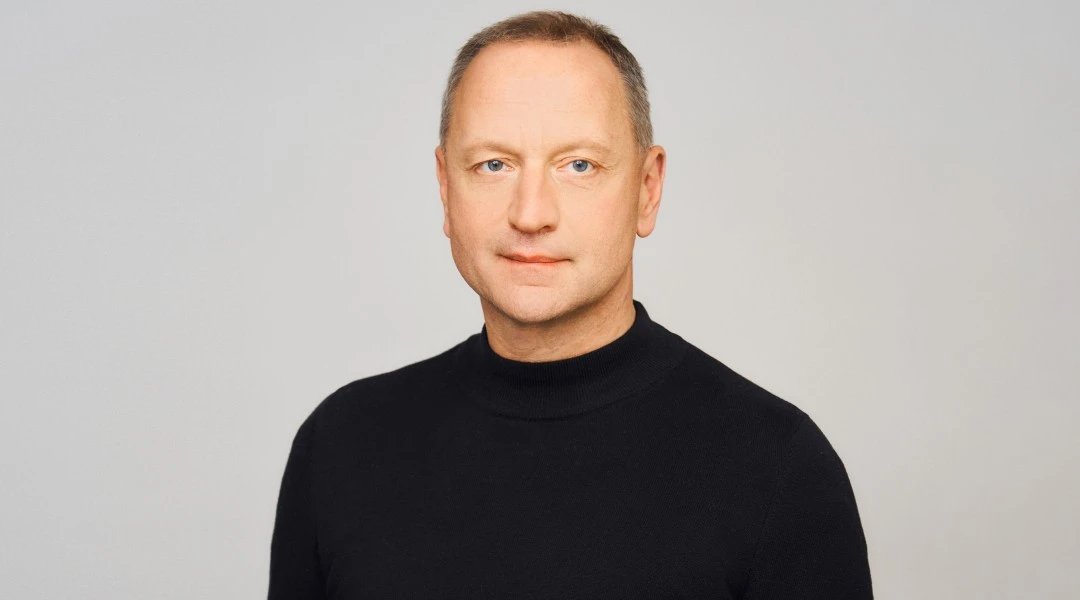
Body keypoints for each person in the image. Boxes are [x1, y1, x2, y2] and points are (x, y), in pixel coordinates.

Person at [268, 10, 873, 599]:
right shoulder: (341, 445)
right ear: (446, 188)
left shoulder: (775, 466)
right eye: (494, 164)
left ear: (647, 189)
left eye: (578, 165)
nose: (531, 213)